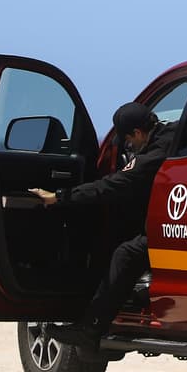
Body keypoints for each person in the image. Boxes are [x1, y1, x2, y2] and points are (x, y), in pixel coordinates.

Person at [29, 102, 175, 350]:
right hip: (178, 225)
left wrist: (60, 197)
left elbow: (115, 183)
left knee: (125, 254)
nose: (128, 146)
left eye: (128, 139)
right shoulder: (173, 134)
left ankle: (91, 329)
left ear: (138, 133)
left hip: (168, 231)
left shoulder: (154, 155)